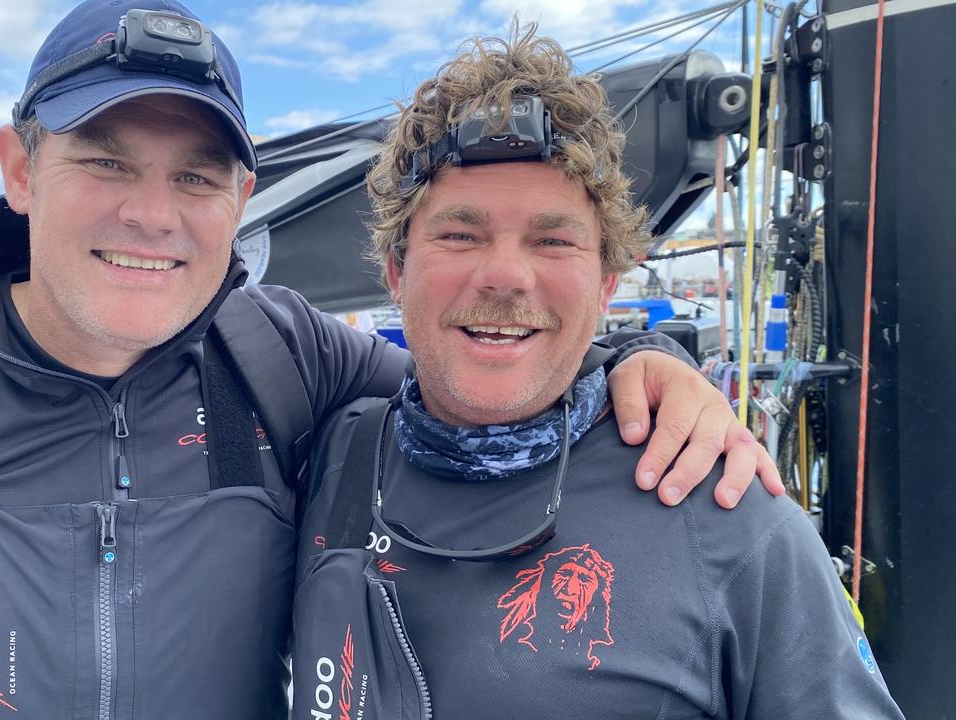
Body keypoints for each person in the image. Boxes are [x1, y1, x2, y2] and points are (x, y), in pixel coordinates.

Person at [0, 2, 778, 718]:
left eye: (196, 179)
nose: (152, 215)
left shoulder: (284, 359)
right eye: (106, 162)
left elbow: (484, 384)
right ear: (19, 168)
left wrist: (639, 363)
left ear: (240, 200)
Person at [293, 24, 903, 720]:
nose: (505, 276)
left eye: (552, 240)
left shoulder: (729, 514)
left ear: (607, 283)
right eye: (460, 234)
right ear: (396, 272)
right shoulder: (333, 455)